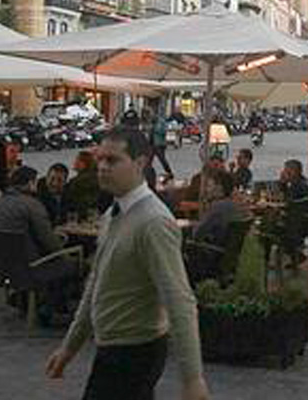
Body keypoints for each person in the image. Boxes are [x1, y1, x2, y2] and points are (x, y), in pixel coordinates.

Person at [46, 128, 210, 400]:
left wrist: (193, 379)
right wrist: (69, 347)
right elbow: (96, 285)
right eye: (100, 159)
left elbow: (179, 300)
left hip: (135, 351)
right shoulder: (114, 213)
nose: (102, 167)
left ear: (140, 163)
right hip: (113, 348)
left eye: (113, 160)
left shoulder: (154, 222)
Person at [0, 166, 82, 325]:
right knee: (73, 265)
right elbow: (49, 241)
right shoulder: (32, 205)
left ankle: (29, 301)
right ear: (29, 184)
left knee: (60, 262)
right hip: (30, 267)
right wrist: (64, 252)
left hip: (1, 267)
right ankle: (48, 309)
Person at [278, 159, 308, 264]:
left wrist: (282, 183)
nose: (283, 172)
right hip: (307, 221)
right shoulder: (301, 183)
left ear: (293, 172)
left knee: (275, 228)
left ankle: (295, 254)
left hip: (305, 224)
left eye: (286, 170)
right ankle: (296, 255)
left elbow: (288, 203)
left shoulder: (297, 186)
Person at [65, 150, 113, 219]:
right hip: (92, 215)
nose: (75, 162)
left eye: (79, 160)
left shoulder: (81, 181)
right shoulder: (96, 177)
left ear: (86, 164)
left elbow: (70, 199)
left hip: (81, 216)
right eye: (76, 159)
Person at [144, 109, 174, 178]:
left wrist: (155, 129)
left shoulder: (161, 121)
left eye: (150, 115)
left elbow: (164, 131)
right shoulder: (151, 122)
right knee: (148, 160)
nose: (149, 117)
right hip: (152, 143)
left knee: (162, 159)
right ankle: (146, 173)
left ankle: (169, 172)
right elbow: (149, 131)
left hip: (159, 144)